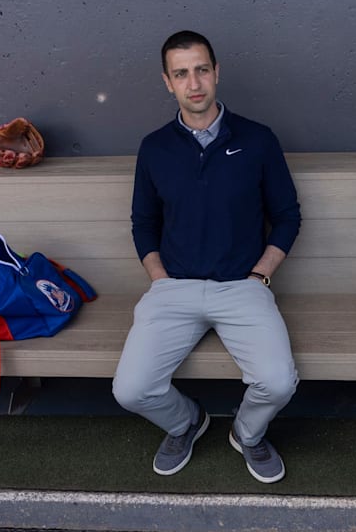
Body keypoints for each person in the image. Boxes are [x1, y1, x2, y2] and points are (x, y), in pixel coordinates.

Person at [113, 30, 302, 484]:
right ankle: (187, 423)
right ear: (168, 82)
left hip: (242, 286)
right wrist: (159, 278)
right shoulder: (155, 147)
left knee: (278, 382)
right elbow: (143, 224)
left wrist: (260, 275)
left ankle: (247, 433)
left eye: (201, 70)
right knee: (130, 390)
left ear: (217, 73)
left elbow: (288, 217)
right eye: (181, 74)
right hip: (173, 288)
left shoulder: (257, 140)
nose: (193, 83)